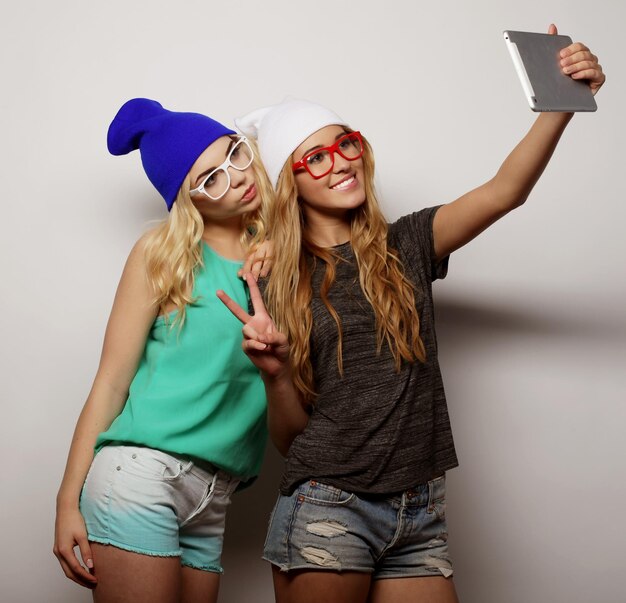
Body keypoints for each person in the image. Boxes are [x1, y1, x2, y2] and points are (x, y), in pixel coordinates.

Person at [218, 27, 605, 603]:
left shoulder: (409, 244)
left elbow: (505, 191)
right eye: (314, 158)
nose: (338, 164)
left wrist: (561, 105)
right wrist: (275, 373)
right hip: (329, 505)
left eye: (346, 144)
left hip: (420, 510)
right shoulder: (274, 280)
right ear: (290, 182)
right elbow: (290, 437)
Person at [53, 98, 273, 603]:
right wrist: (68, 501)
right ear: (188, 199)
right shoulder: (163, 255)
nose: (236, 177)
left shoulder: (282, 252)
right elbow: (111, 382)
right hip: (141, 476)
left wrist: (280, 241)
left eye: (235, 153)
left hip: (217, 494)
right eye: (209, 178)